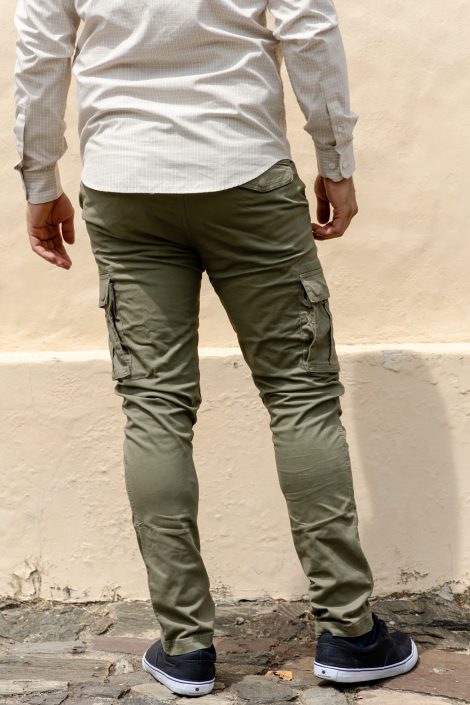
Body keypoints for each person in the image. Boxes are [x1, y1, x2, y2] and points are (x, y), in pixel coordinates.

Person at [13, 0, 419, 696]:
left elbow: (41, 53)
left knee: (154, 407)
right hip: (244, 169)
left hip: (124, 181)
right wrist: (336, 160)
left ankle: (185, 647)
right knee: (299, 395)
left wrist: (40, 180)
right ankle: (351, 634)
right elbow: (309, 28)